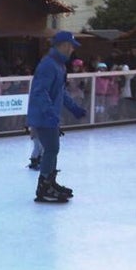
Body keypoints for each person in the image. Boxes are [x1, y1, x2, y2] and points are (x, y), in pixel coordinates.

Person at [28, 30, 87, 203]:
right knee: (51, 149)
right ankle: (44, 187)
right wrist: (49, 112)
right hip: (44, 115)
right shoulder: (48, 64)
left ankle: (49, 182)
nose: (72, 50)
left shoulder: (58, 65)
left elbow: (60, 92)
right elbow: (40, 91)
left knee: (53, 149)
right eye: (70, 46)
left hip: (49, 115)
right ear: (62, 46)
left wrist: (74, 108)